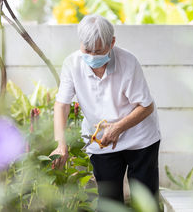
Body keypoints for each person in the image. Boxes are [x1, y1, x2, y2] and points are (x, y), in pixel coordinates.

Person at [49, 15, 161, 203]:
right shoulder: (72, 64)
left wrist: (117, 128)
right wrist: (61, 144)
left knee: (146, 201)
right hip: (102, 141)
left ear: (112, 43)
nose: (92, 56)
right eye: (87, 50)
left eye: (98, 51)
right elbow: (62, 104)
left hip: (140, 138)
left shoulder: (128, 62)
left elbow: (146, 106)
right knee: (109, 201)